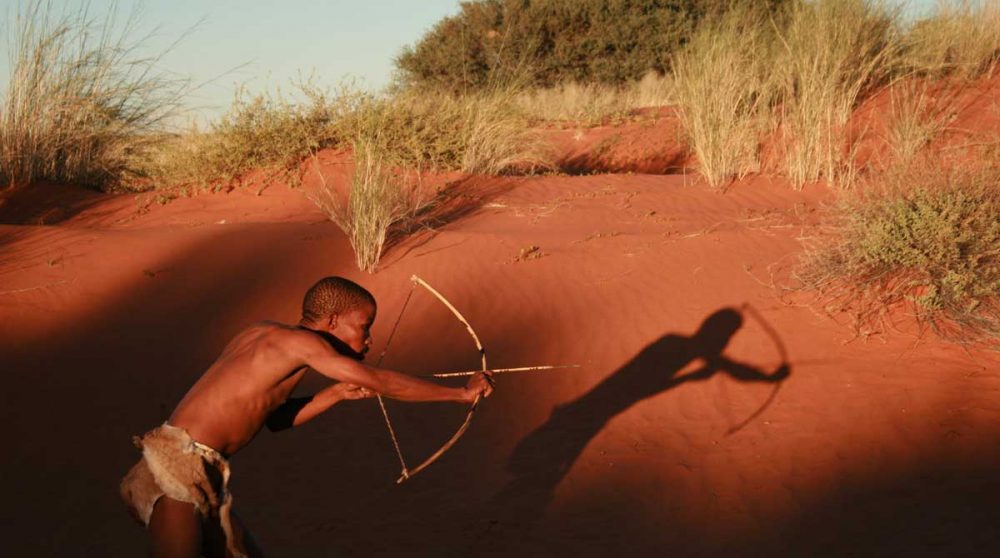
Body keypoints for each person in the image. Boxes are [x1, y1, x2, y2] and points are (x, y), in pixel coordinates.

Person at [119, 276, 494, 558]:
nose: (368, 339)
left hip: (198, 470)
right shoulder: (301, 344)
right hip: (179, 466)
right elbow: (379, 381)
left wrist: (334, 394)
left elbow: (274, 419)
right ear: (332, 321)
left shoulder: (265, 333)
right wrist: (460, 394)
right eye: (363, 326)